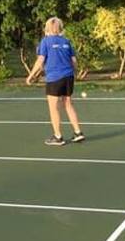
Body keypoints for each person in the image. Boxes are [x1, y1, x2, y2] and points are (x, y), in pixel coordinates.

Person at [26, 17, 85, 146]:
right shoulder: (66, 41)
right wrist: (74, 73)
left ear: (47, 28)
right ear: (60, 28)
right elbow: (74, 61)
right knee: (68, 104)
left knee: (53, 108)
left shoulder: (45, 42)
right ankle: (78, 133)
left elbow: (41, 60)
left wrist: (31, 75)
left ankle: (58, 137)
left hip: (54, 78)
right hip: (68, 77)